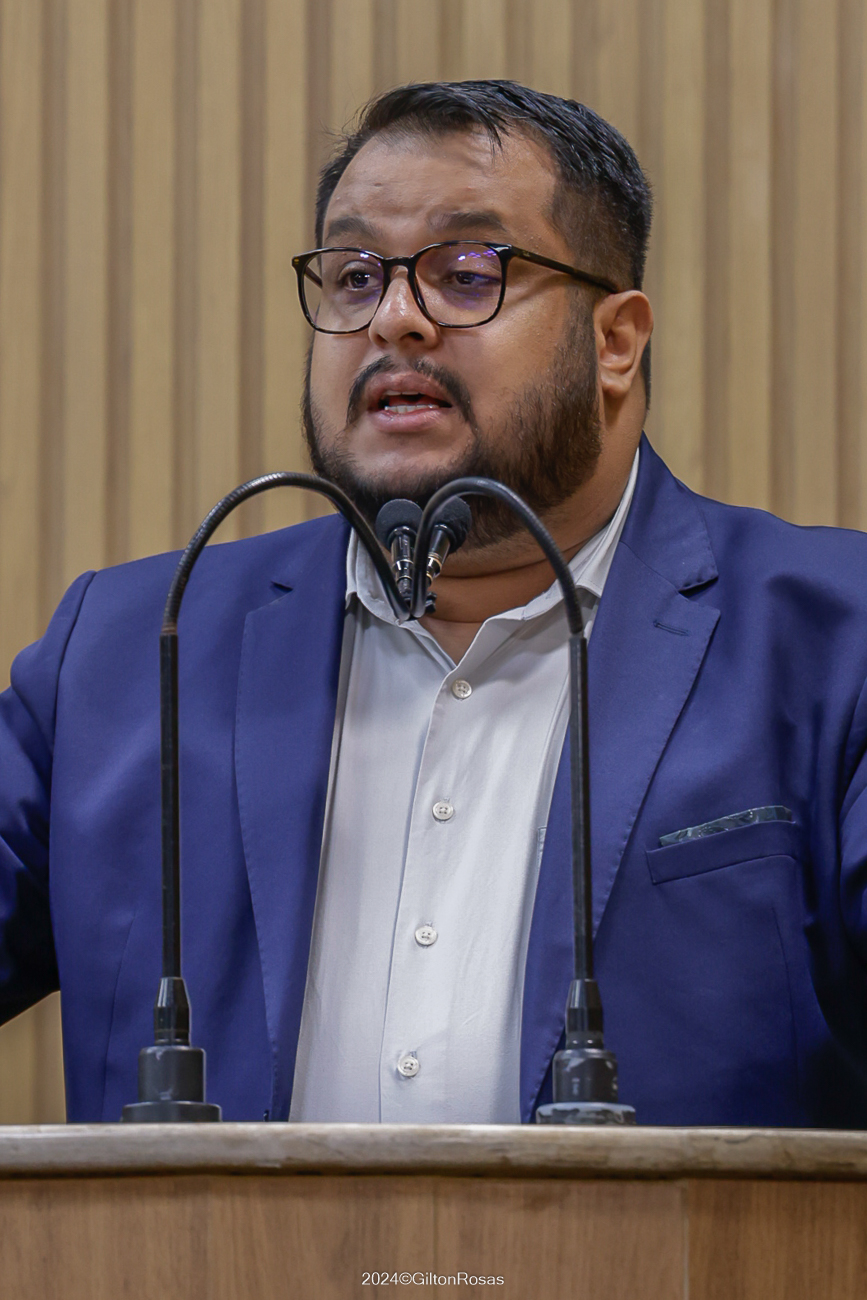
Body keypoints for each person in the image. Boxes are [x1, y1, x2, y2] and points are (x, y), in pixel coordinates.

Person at [2, 80, 867, 1127]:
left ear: (616, 340)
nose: (394, 319)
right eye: (354, 276)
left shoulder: (833, 643)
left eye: (466, 275)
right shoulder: (130, 653)